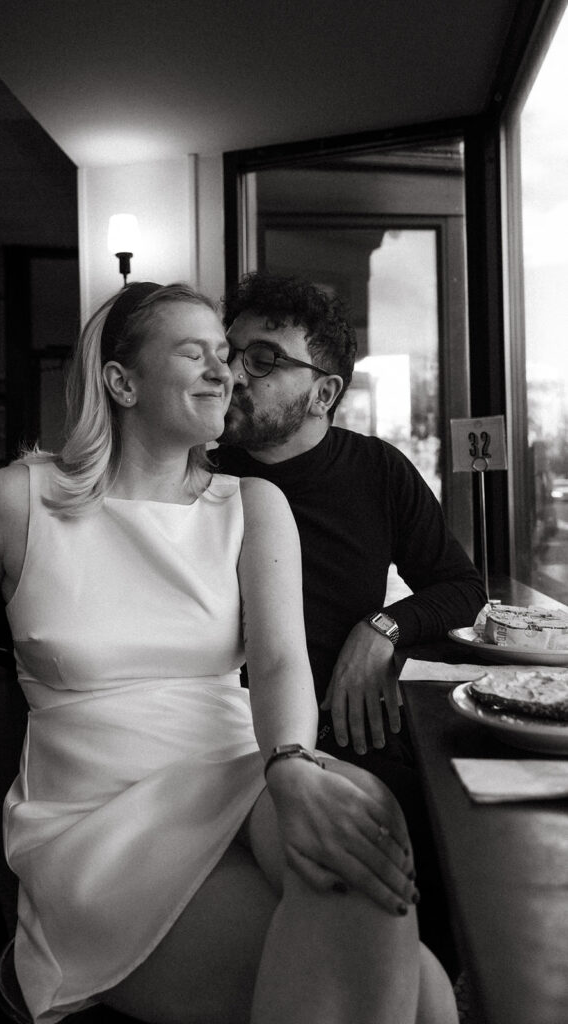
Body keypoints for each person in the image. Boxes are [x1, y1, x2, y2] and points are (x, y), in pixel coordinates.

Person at [0, 283, 456, 1024]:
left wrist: (288, 763)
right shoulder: (14, 500)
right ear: (121, 382)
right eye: (199, 353)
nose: (227, 373)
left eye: (228, 356)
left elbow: (280, 661)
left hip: (236, 765)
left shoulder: (251, 505)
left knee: (359, 811)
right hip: (101, 817)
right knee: (420, 992)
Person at [215, 271, 487, 977]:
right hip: (223, 737)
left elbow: (460, 588)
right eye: (230, 351)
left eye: (266, 359)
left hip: (350, 728)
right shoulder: (196, 474)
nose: (235, 373)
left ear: (325, 392)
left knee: (451, 837)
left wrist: (383, 626)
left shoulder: (375, 469)